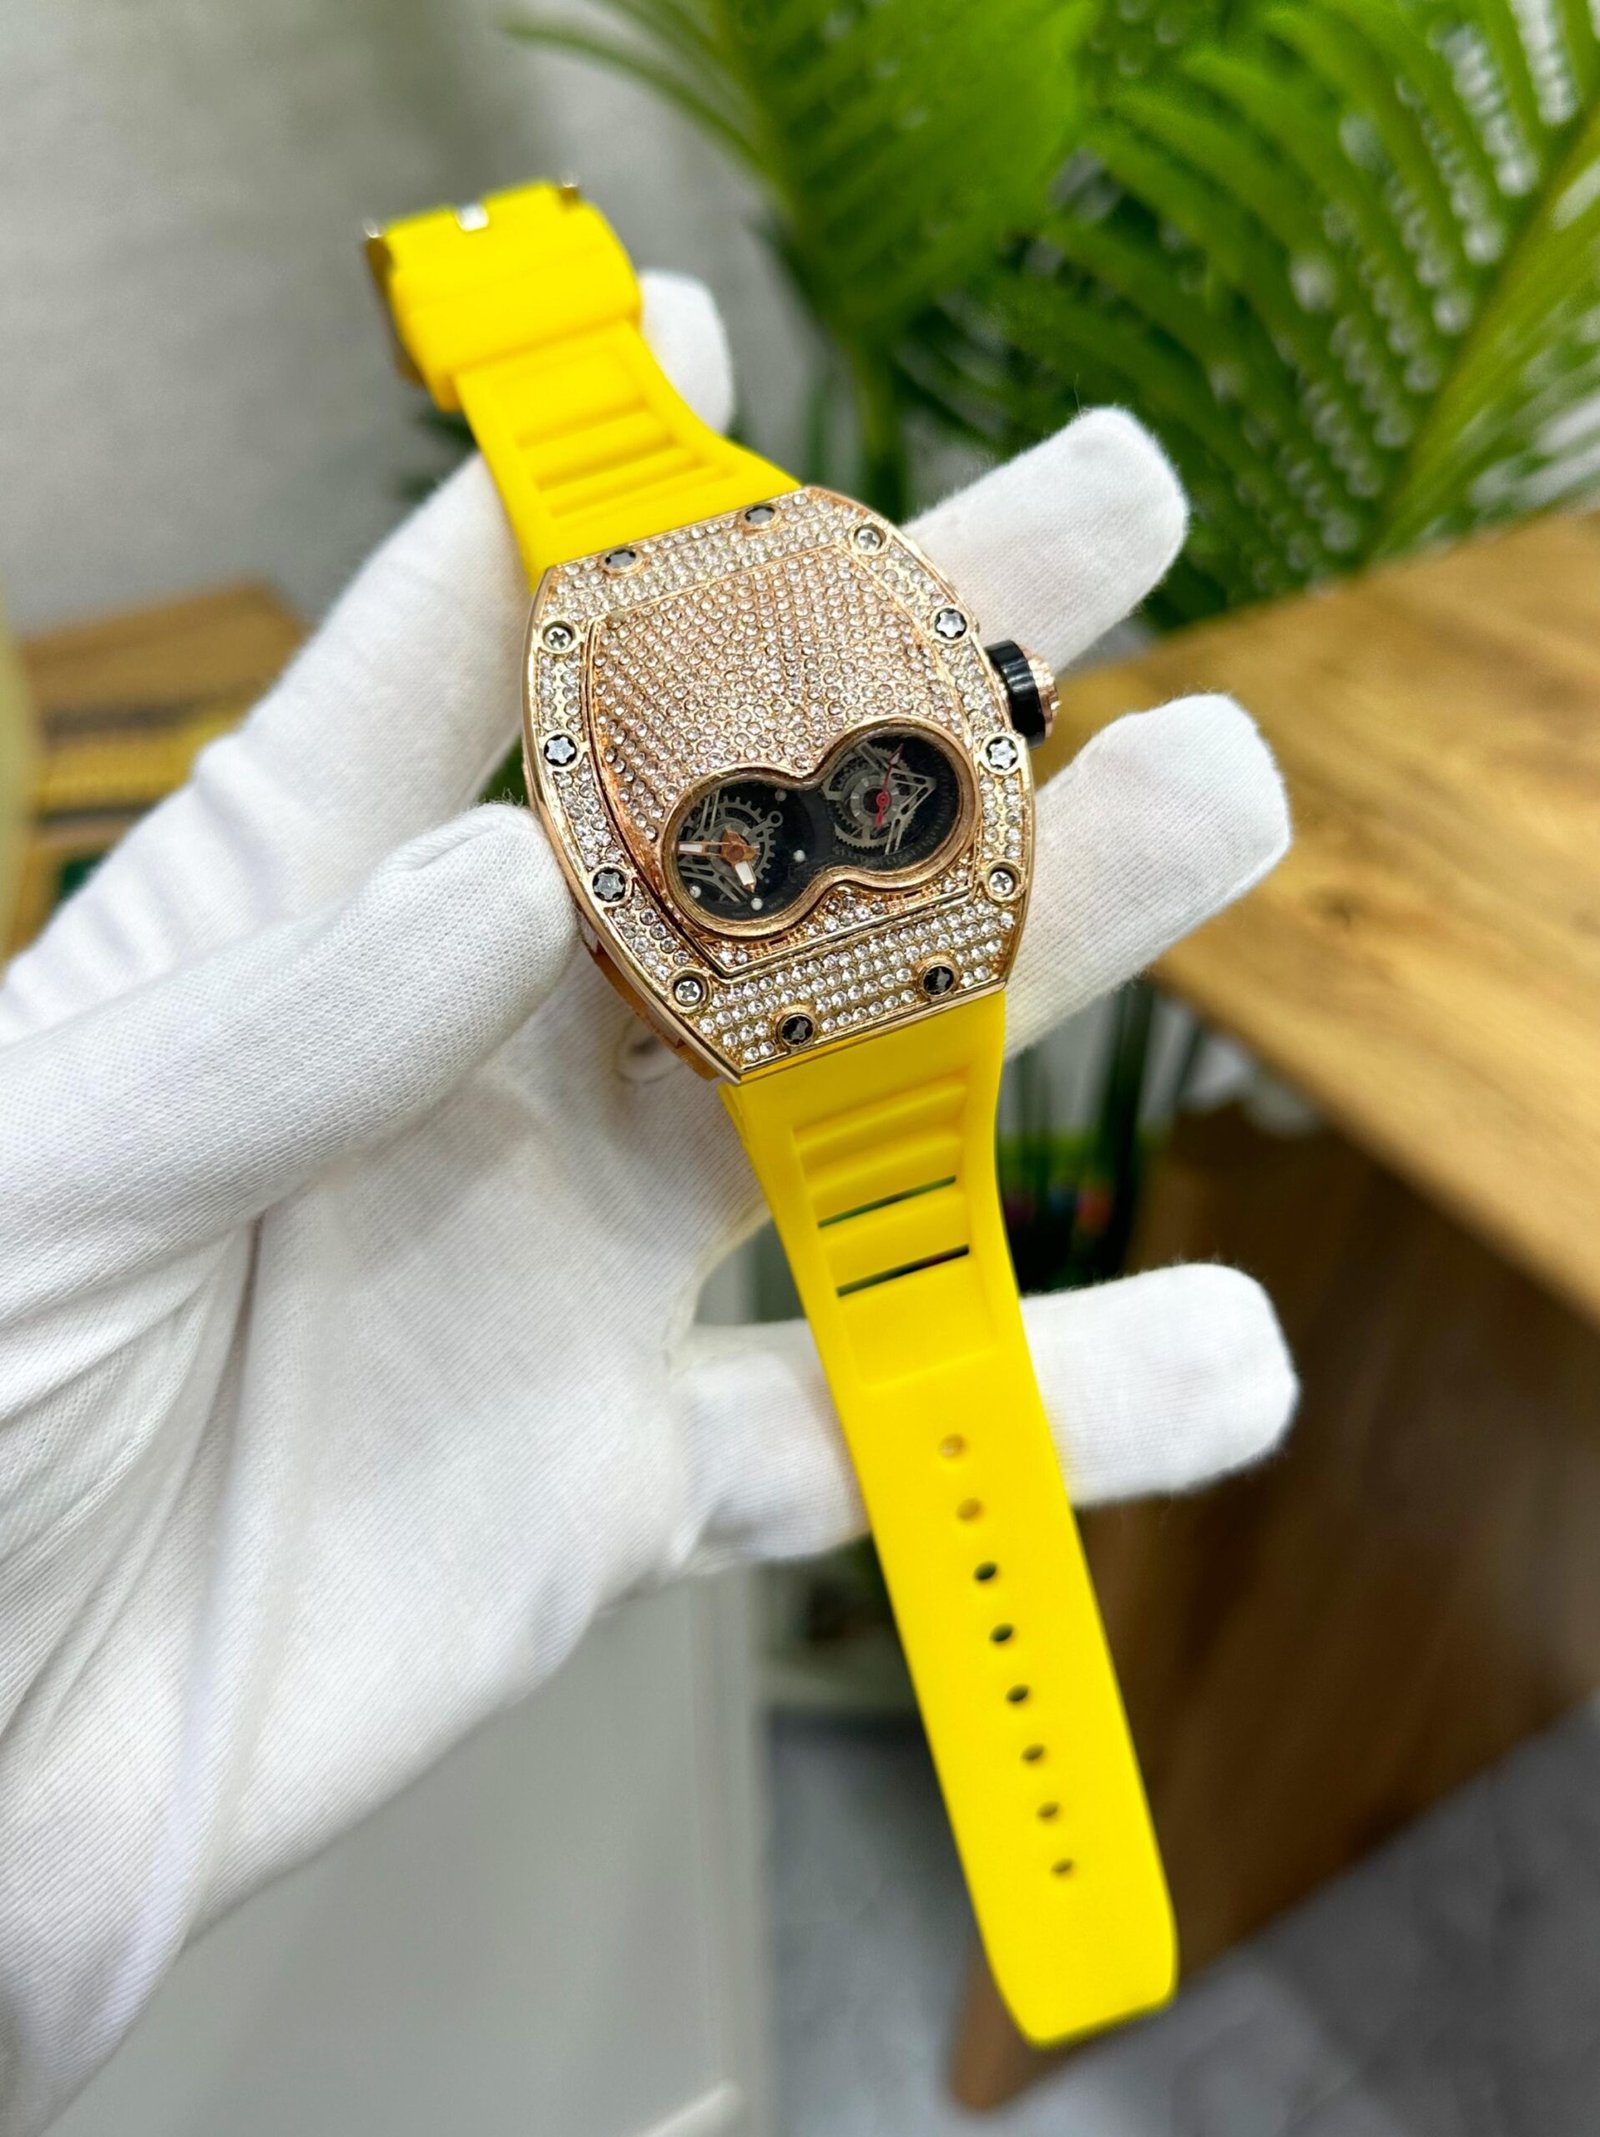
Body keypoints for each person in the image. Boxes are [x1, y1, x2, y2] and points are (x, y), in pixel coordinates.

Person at [0, 272, 1295, 2132]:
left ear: (986, 709)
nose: (824, 825)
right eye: (754, 827)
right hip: (820, 1017)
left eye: (888, 786)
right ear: (616, 877)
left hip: (892, 1004)